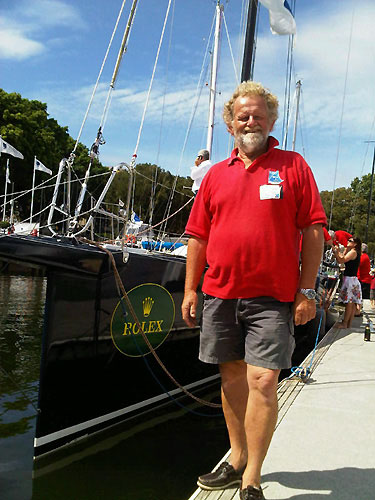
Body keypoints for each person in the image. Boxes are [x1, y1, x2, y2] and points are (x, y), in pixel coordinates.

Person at [181, 81, 326, 500]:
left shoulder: (294, 166)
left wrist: (307, 290)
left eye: (258, 114)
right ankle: (238, 456)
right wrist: (191, 290)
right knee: (231, 379)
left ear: (271, 120)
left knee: (262, 381)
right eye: (243, 115)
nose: (251, 121)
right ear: (230, 123)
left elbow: (313, 231)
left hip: (272, 297)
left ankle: (252, 477)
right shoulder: (214, 176)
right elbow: (197, 237)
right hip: (221, 294)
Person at [333, 237, 362, 328]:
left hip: (350, 280)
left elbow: (342, 260)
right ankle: (348, 323)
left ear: (355, 244)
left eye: (350, 241)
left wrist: (337, 251)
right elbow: (340, 260)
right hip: (352, 279)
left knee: (349, 303)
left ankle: (345, 323)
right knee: (352, 303)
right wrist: (342, 252)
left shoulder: (353, 252)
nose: (348, 242)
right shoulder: (352, 251)